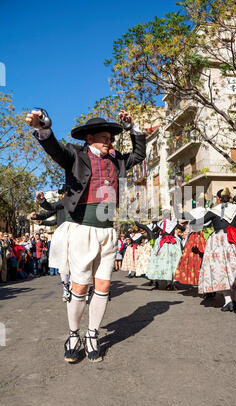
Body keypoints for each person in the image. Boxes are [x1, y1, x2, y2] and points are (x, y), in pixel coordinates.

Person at [26, 109, 146, 363]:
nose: (109, 142)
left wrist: (133, 128)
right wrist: (43, 128)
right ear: (89, 139)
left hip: (107, 231)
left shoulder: (117, 160)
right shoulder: (75, 155)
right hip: (82, 229)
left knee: (102, 286)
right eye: (104, 138)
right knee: (80, 287)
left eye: (111, 138)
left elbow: (139, 154)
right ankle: (73, 335)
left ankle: (92, 335)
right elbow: (55, 149)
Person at [197, 188, 236, 311]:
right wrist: (234, 196)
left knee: (222, 271)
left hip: (219, 241)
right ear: (229, 197)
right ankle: (233, 301)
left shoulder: (213, 211)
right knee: (234, 271)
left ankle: (228, 301)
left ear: (219, 199)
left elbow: (198, 222)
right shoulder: (235, 208)